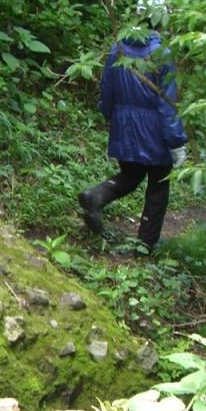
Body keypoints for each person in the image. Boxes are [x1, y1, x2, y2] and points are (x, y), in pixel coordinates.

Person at [78, 23, 187, 251]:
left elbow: (107, 88)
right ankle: (146, 244)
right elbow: (167, 104)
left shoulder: (118, 48)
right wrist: (176, 141)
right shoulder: (163, 54)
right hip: (155, 130)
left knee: (131, 175)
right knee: (158, 186)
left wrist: (111, 115)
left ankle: (96, 196)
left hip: (124, 125)